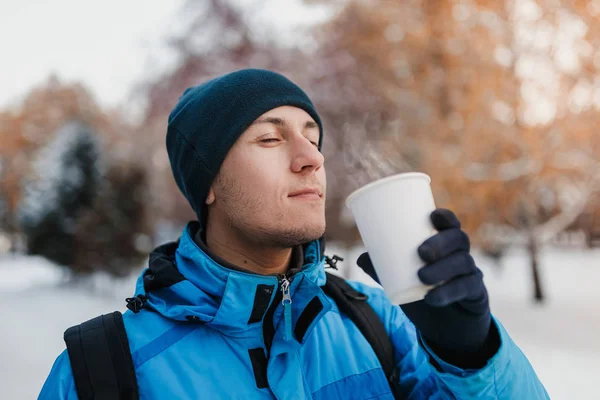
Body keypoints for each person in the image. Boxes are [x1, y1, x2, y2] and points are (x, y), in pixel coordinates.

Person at [39, 69, 549, 399]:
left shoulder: (378, 325)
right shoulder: (100, 372)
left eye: (312, 136)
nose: (312, 158)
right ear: (209, 182)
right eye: (268, 137)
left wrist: (473, 355)